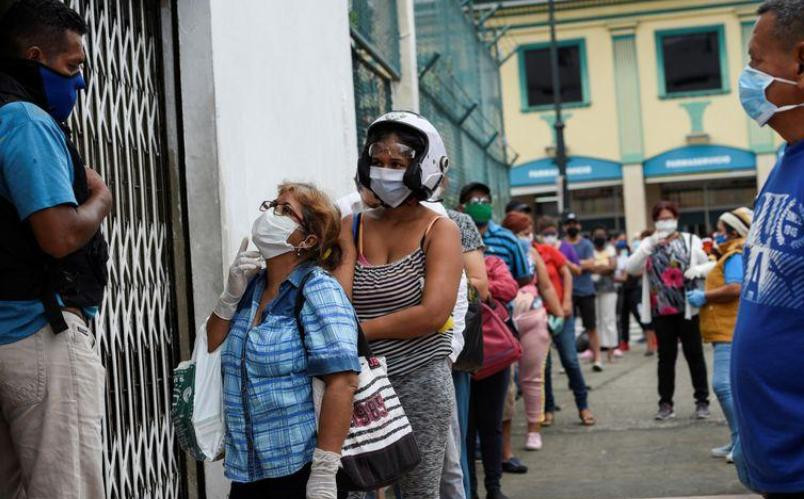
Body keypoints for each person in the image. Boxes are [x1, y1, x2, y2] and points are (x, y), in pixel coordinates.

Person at [0, 2, 112, 497]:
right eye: (73, 67)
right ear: (35, 55)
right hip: (39, 335)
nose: (81, 83)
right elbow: (60, 235)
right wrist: (102, 200)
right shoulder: (24, 118)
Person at [335, 111, 463, 497]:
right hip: (358, 382)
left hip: (421, 378)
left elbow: (433, 313)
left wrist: (361, 331)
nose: (385, 171)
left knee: (419, 491)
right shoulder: (351, 226)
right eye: (378, 161)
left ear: (422, 168)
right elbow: (340, 302)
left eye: (397, 163)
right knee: (355, 489)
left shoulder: (440, 230)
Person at [206, 183, 360, 499]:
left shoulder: (319, 290)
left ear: (308, 240)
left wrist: (324, 472)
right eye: (272, 204)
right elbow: (212, 344)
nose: (270, 214)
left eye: (284, 210)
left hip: (299, 471)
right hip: (248, 469)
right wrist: (229, 296)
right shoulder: (251, 287)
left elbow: (342, 382)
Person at [731, 2, 804, 494]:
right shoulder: (785, 162)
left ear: (800, 62)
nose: (747, 78)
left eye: (756, 60)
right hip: (774, 461)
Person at [459, 182, 532, 476]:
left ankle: (504, 456)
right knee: (468, 416)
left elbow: (518, 282)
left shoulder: (505, 243)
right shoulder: (451, 234)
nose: (480, 204)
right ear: (462, 206)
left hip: (496, 334)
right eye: (474, 200)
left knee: (502, 406)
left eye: (484, 200)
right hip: (462, 339)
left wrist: (485, 286)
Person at [626, 201, 710, 421]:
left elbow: (709, 265)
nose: (666, 222)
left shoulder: (691, 240)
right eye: (661, 219)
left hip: (687, 308)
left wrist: (698, 270)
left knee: (694, 355)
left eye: (669, 218)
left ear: (676, 218)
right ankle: (665, 403)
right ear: (654, 221)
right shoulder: (648, 244)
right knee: (666, 358)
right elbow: (630, 268)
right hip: (661, 309)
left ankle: (702, 401)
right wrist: (650, 243)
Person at [686, 207, 752, 464]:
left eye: (721, 230)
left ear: (734, 232)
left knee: (722, 385)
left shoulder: (735, 254)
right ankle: (737, 439)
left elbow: (736, 287)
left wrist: (705, 296)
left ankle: (743, 443)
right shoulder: (730, 254)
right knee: (729, 386)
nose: (717, 234)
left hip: (729, 329)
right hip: (725, 328)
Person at [501, 211, 564, 452]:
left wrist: (558, 314)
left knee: (533, 379)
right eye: (521, 233)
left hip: (534, 318)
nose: (526, 238)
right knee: (506, 383)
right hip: (505, 321)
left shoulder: (533, 252)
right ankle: (504, 441)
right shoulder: (495, 252)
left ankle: (533, 430)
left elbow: (546, 286)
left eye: (528, 233)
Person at [465, 254, 519, 499]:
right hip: (460, 358)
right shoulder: (437, 261)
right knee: (465, 430)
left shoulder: (493, 263)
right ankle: (471, 490)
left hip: (492, 354)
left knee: (491, 425)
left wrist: (480, 283)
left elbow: (509, 288)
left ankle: (494, 487)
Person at [537, 216, 595, 427]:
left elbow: (570, 273)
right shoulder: (530, 251)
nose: (549, 236)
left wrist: (567, 301)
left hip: (562, 312)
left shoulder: (553, 251)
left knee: (570, 359)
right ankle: (548, 408)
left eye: (552, 231)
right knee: (543, 366)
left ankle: (583, 406)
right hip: (539, 315)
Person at [562, 213, 603, 371]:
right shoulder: (562, 244)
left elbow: (591, 263)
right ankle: (570, 361)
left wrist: (569, 263)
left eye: (574, 223)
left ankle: (598, 358)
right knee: (568, 328)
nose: (572, 226)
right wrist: (579, 265)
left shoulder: (586, 243)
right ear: (565, 226)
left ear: (579, 225)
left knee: (591, 326)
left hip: (586, 291)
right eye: (569, 223)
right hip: (568, 292)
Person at [617, 233, 657, 356]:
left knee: (642, 317)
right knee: (624, 317)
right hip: (625, 290)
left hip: (637, 290)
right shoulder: (626, 256)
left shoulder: (645, 255)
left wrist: (621, 275)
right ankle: (625, 342)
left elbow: (637, 272)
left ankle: (652, 343)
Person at [591, 227, 618, 364]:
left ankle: (610, 353)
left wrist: (596, 267)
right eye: (597, 235)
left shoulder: (610, 249)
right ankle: (596, 354)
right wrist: (603, 267)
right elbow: (588, 266)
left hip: (608, 290)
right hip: (592, 290)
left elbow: (612, 266)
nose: (600, 237)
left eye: (602, 234)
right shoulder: (590, 249)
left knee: (609, 320)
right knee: (594, 322)